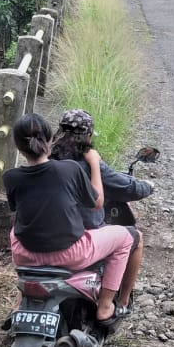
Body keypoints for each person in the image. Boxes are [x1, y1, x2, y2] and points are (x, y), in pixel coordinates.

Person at [3, 113, 138, 329]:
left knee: (16, 228)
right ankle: (106, 306)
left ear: (18, 147)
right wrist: (94, 163)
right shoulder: (70, 169)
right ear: (48, 140)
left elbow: (20, 210)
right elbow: (96, 202)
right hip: (70, 254)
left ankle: (20, 303)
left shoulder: (10, 177)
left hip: (25, 256)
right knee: (127, 237)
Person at [51, 109, 151, 311]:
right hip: (81, 238)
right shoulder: (89, 163)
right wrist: (148, 186)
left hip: (47, 236)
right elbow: (125, 188)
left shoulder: (46, 160)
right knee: (135, 238)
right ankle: (118, 303)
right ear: (88, 136)